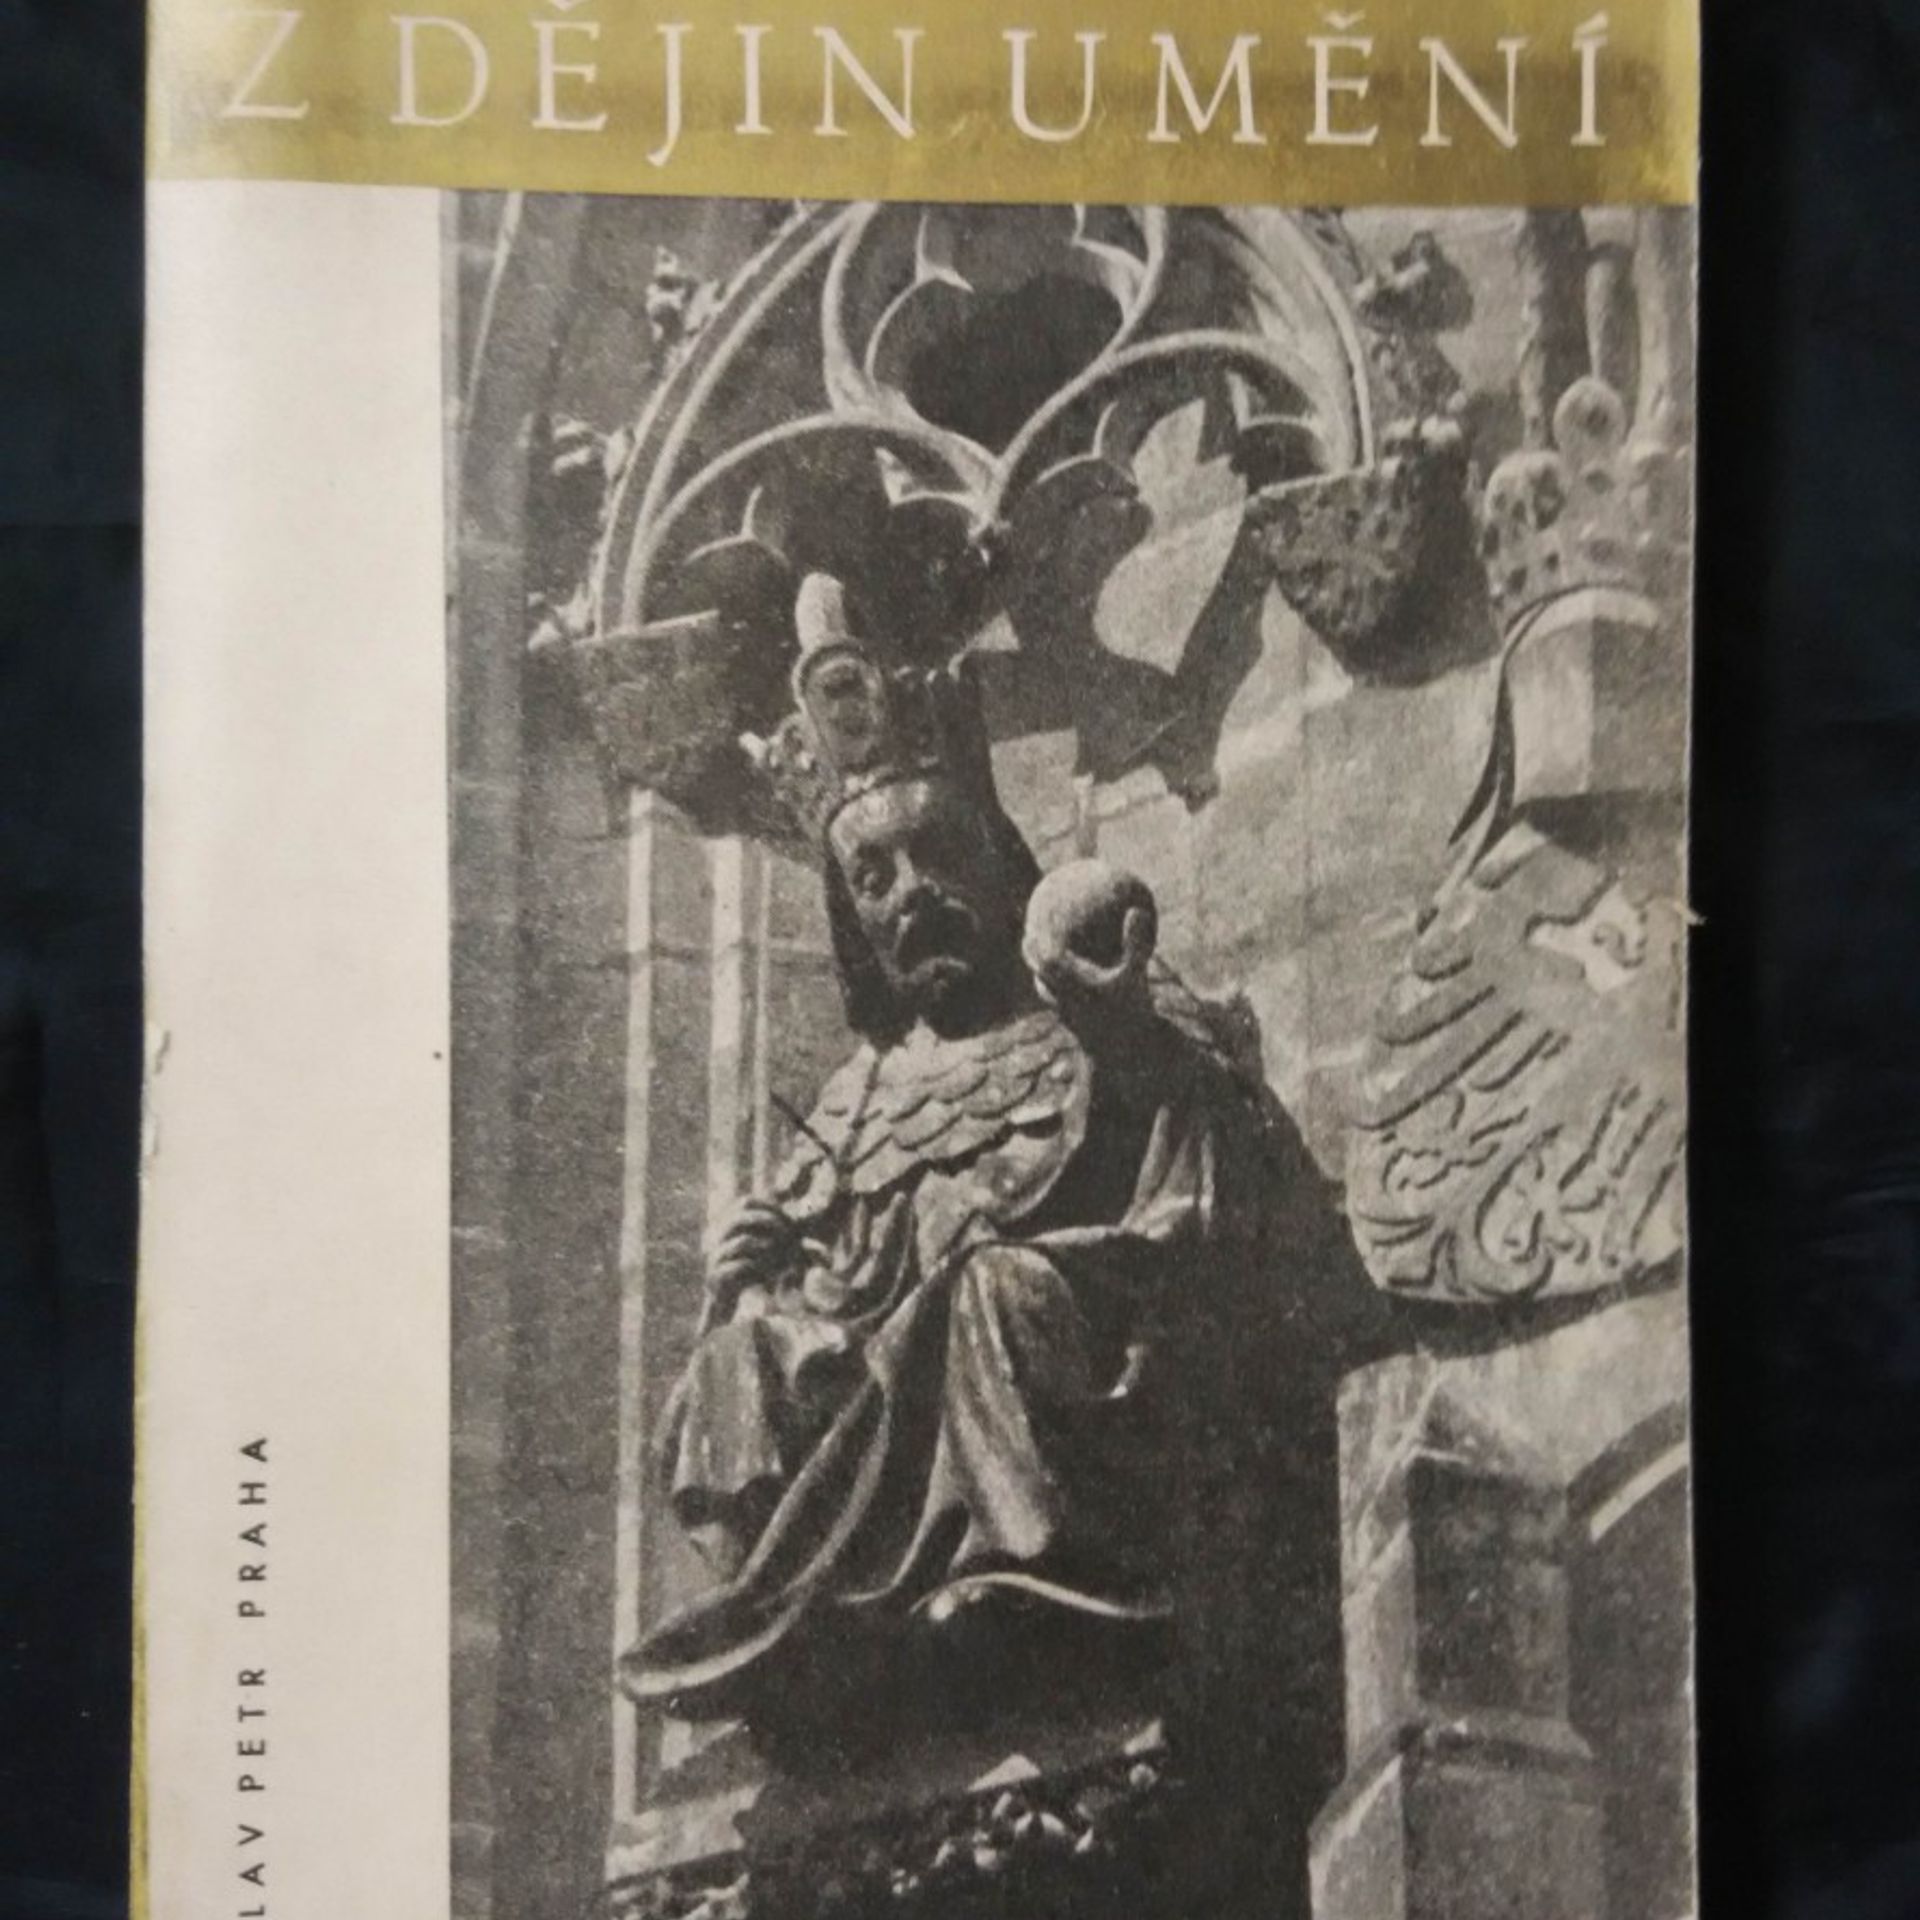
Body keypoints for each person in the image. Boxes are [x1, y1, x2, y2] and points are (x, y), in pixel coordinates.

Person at [621, 576, 1368, 1758]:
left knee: (993, 1293)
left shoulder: (1096, 1007)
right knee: (736, 1358)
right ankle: (795, 1619)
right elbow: (829, 1302)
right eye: (873, 877)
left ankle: (1019, 1564)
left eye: (933, 852)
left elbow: (1233, 1190)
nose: (910, 894)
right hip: (881, 1426)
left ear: (993, 856)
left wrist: (1127, 1037)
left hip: (1082, 1377)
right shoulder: (852, 1104)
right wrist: (747, 1288)